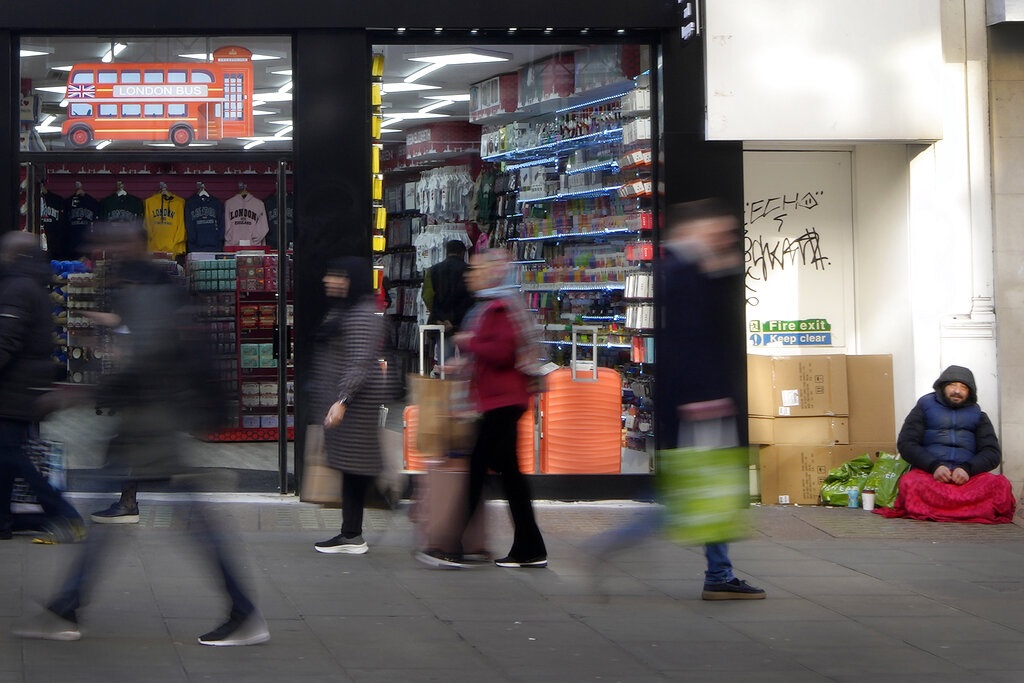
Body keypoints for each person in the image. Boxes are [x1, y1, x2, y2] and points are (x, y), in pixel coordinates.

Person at [14, 223, 269, 646]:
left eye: (109, 245)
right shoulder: (140, 285)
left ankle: (243, 612)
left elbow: (143, 362)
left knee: (193, 522)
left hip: (154, 426)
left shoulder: (144, 288)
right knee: (153, 520)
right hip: (145, 424)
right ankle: (66, 607)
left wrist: (77, 394)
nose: (103, 253)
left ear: (129, 245)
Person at [659, 199, 765, 600]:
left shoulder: (695, 270)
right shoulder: (684, 273)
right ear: (696, 231)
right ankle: (717, 574)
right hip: (701, 405)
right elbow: (691, 344)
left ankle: (719, 573)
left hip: (704, 402)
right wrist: (702, 397)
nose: (726, 238)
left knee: (709, 491)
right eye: (718, 231)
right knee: (700, 495)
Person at [416, 249, 547, 569]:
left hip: (501, 402)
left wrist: (467, 341)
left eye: (475, 271)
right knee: (511, 477)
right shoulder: (493, 305)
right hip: (501, 399)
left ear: (492, 273)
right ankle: (529, 547)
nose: (469, 276)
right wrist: (463, 362)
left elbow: (502, 352)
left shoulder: (498, 306)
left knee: (477, 472)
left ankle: (454, 546)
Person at [0, 231, 84, 543]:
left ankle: (61, 511)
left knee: (12, 455)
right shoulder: (32, 284)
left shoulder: (17, 288)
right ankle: (3, 521)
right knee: (7, 456)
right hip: (24, 386)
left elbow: (6, 339)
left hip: (14, 386)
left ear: (13, 256)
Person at [312, 257, 388, 555]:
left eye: (337, 276)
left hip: (354, 406)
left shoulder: (361, 315)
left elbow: (359, 362)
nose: (328, 280)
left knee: (355, 467)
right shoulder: (345, 311)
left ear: (351, 280)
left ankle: (354, 532)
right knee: (352, 469)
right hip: (344, 404)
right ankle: (352, 533)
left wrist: (342, 400)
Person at [884, 365, 1015, 523]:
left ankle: (939, 510)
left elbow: (992, 453)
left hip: (967, 479)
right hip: (931, 476)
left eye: (963, 387)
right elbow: (906, 443)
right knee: (910, 482)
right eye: (953, 385)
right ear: (943, 386)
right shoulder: (923, 408)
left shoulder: (979, 416)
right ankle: (970, 511)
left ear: (970, 392)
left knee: (1000, 485)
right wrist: (934, 466)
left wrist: (967, 468)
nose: (957, 391)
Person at [422, 239, 473, 367]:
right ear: (462, 253)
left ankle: (446, 386)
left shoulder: (433, 271)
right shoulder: (470, 271)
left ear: (446, 252)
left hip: (442, 324)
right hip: (464, 324)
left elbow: (427, 296)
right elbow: (473, 298)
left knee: (445, 365)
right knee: (467, 364)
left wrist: (440, 316)